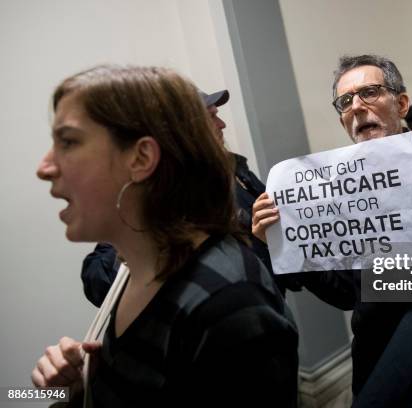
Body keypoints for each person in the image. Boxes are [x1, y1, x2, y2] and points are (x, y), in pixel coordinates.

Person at [32, 65, 298, 407]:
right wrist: (77, 392)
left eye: (68, 142)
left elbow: (340, 283)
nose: (44, 167)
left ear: (142, 157)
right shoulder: (133, 268)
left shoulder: (228, 303)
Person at [252, 54, 412, 399]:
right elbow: (343, 293)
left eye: (369, 92)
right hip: (379, 355)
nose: (356, 107)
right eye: (345, 101)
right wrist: (282, 241)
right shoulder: (334, 190)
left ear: (400, 104)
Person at [81, 89, 277, 307]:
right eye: (211, 117)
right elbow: (98, 284)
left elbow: (283, 264)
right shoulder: (142, 194)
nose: (222, 124)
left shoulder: (237, 174)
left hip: (259, 315)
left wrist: (265, 244)